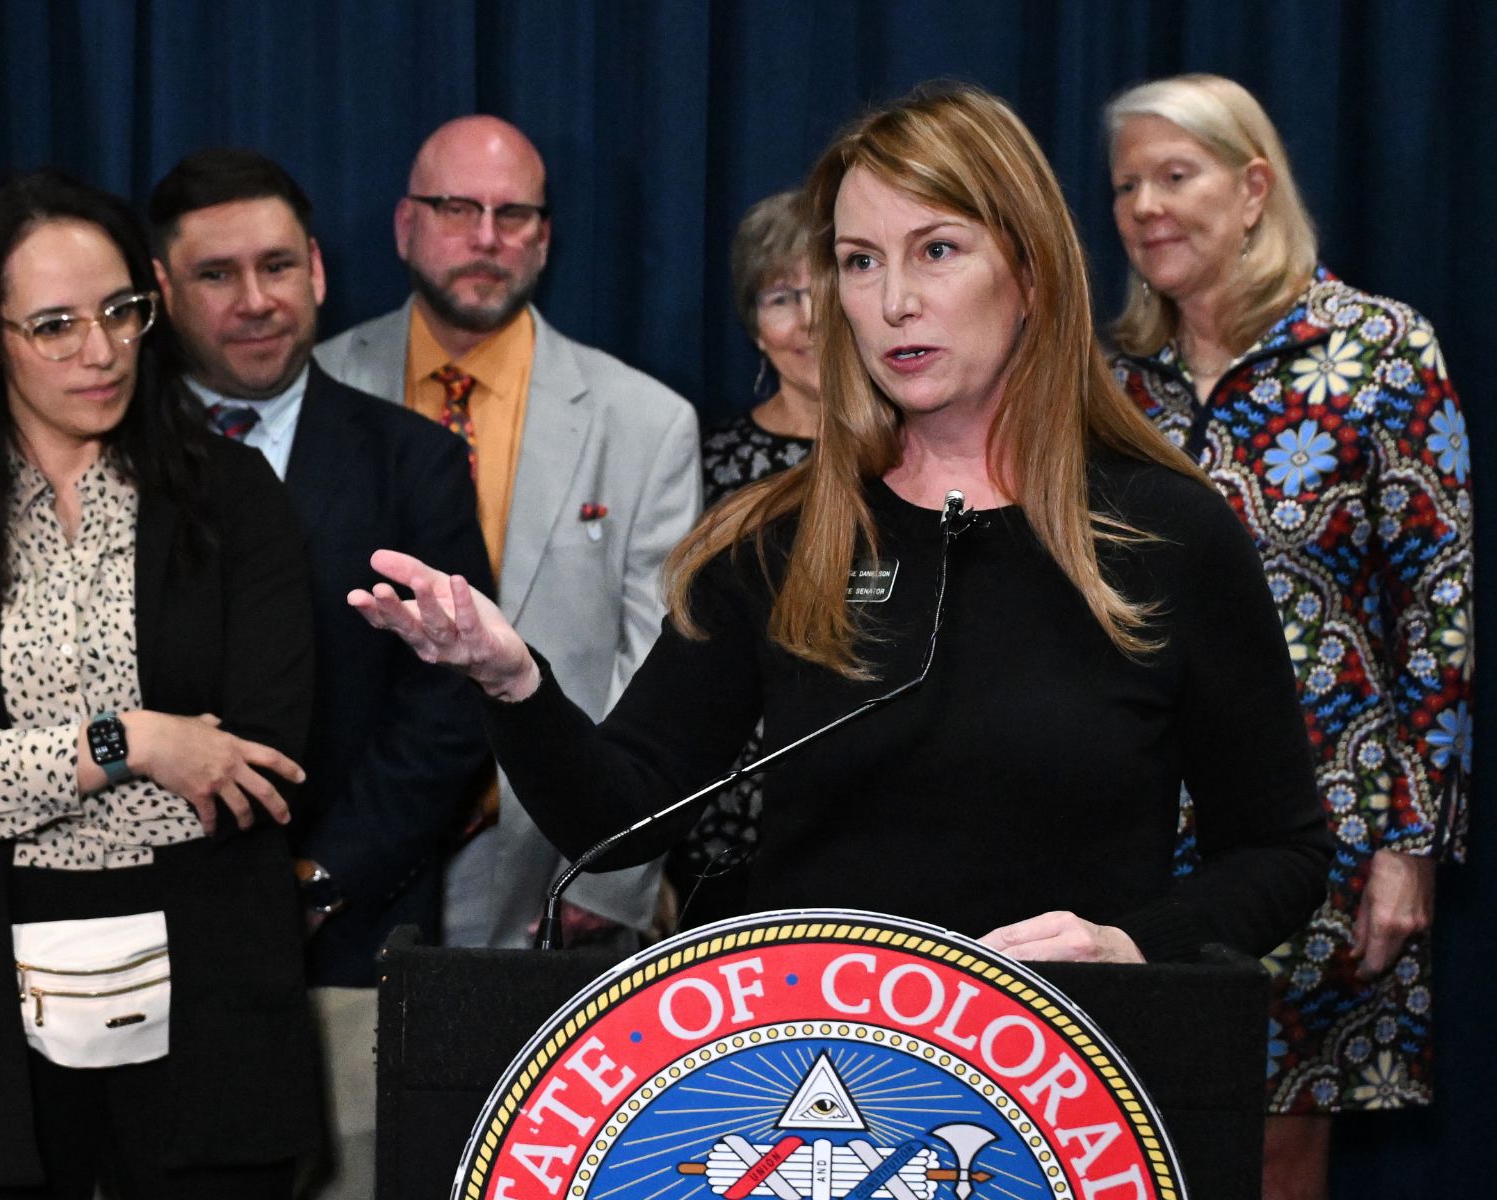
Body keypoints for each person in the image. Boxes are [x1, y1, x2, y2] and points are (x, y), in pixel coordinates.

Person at [350, 83, 1334, 975]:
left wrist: (1131, 946)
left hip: (1065, 1095)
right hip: (816, 1086)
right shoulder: (779, 537)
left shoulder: (1166, 530)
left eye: (936, 251)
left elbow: (1280, 851)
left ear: (1029, 272)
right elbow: (620, 818)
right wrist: (512, 679)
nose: (891, 300)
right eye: (860, 262)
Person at [0, 170, 318, 1198]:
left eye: (117, 313)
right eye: (53, 325)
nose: (98, 352)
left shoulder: (233, 497)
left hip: (214, 1023)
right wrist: (134, 741)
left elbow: (259, 769)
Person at [1104, 73, 1472, 1200]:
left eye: (1177, 176)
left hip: (1323, 824)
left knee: (1269, 1147)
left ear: (1253, 187)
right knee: (1114, 1127)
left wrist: (1410, 847)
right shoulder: (1103, 376)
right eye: (1125, 185)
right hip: (1121, 823)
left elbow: (1438, 609)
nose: (1145, 207)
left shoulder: (1378, 351)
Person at [147, 147, 493, 1200]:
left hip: (347, 940)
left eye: (277, 267)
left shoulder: (414, 463)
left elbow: (449, 709)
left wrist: (322, 881)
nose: (255, 302)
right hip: (142, 945)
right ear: (160, 290)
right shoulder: (99, 458)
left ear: (319, 271)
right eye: (216, 275)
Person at [317, 114, 702, 949]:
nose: (486, 238)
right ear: (404, 224)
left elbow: (656, 672)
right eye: (456, 208)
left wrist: (612, 872)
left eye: (513, 215)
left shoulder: (645, 423)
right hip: (344, 875)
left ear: (545, 237)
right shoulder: (317, 385)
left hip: (547, 875)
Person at [670, 188, 820, 928]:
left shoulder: (914, 461)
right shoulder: (708, 461)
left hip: (861, 818)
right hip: (718, 829)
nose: (809, 320)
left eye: (827, 285)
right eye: (781, 297)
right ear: (754, 326)